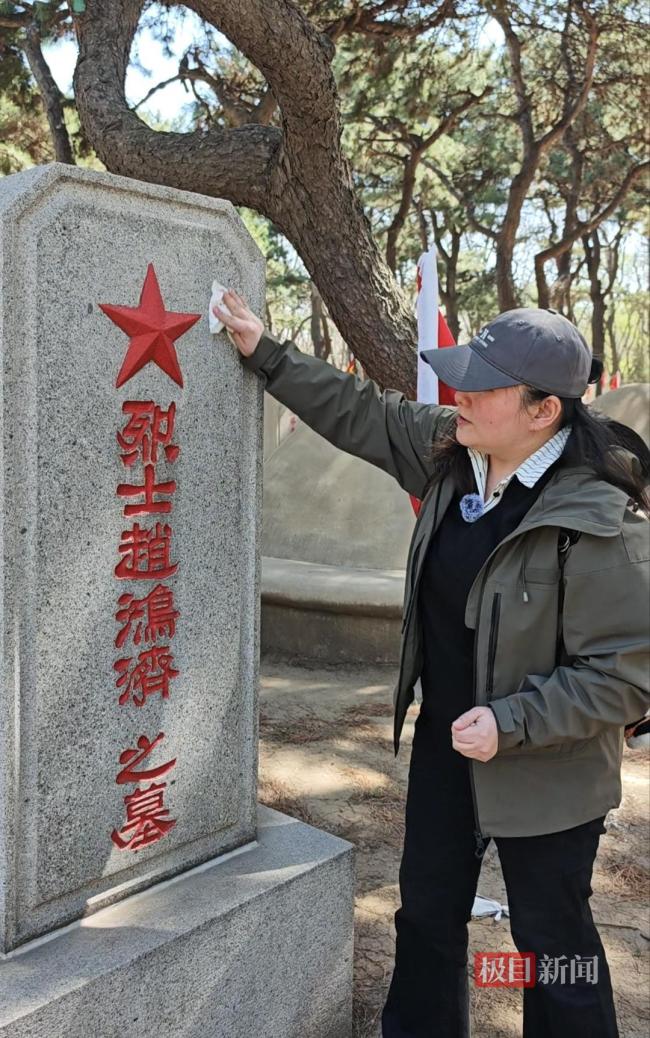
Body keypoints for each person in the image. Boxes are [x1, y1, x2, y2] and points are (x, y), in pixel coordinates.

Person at [213, 291, 650, 1038]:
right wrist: (267, 351)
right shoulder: (455, 453)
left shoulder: (600, 521)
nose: (461, 397)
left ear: (543, 411)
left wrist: (511, 721)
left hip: (549, 767)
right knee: (426, 917)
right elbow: (363, 412)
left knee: (553, 948)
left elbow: (625, 673)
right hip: (451, 742)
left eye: (482, 387)